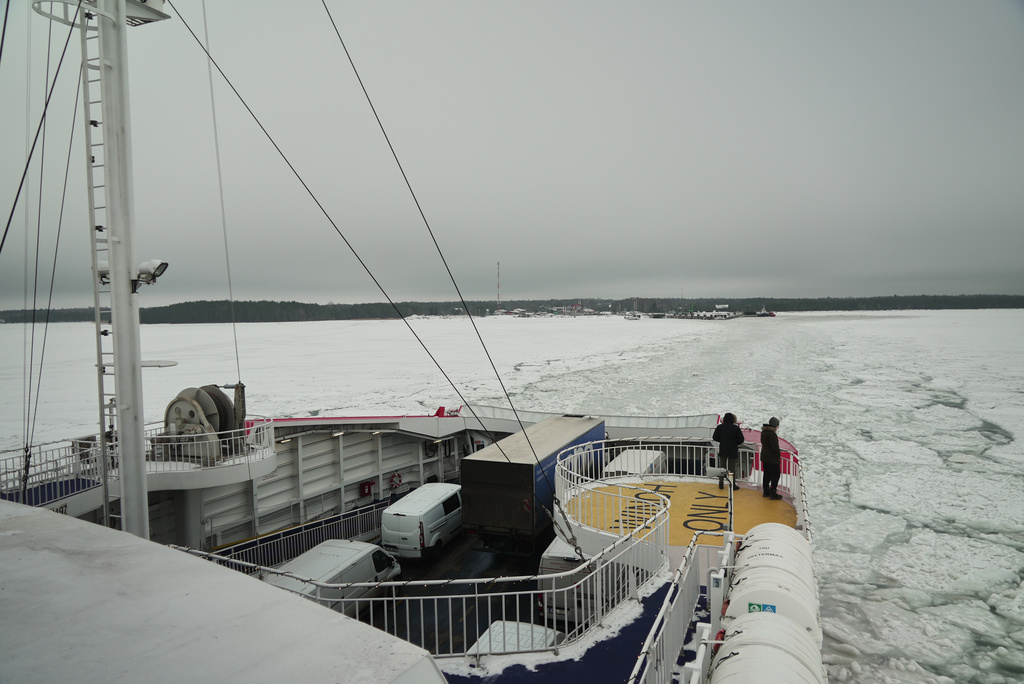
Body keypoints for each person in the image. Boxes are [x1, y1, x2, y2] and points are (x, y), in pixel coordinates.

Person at [712, 412, 745, 490]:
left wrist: (722, 440)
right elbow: (741, 439)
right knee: (732, 468)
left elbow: (715, 437)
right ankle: (732, 484)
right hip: (733, 450)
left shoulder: (720, 427)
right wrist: (735, 443)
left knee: (721, 468)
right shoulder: (736, 428)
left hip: (723, 450)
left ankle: (721, 483)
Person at [760, 417, 783, 500]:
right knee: (776, 475)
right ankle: (773, 492)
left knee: (767, 474)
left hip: (765, 456)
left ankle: (766, 491)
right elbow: (774, 447)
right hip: (772, 458)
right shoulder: (772, 434)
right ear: (775, 426)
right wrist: (778, 453)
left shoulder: (764, 432)